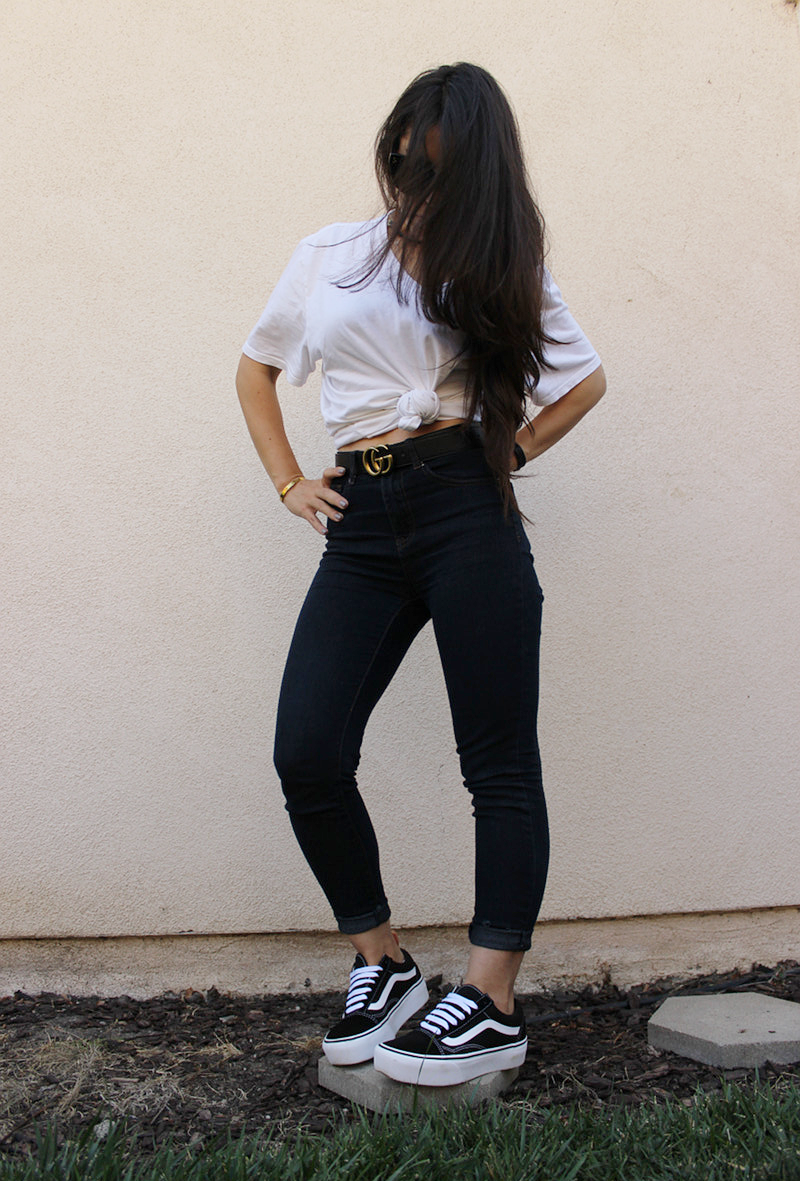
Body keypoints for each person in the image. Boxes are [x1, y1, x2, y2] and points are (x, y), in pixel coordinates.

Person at [236, 62, 606, 1087]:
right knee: (306, 751)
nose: (411, 177)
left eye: (435, 162)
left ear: (472, 165)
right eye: (403, 153)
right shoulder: (332, 253)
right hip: (360, 516)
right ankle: (382, 960)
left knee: (495, 765)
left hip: (462, 511)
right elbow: (256, 366)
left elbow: (583, 379)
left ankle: (489, 997)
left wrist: (508, 455)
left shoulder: (495, 257)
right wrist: (284, 483)